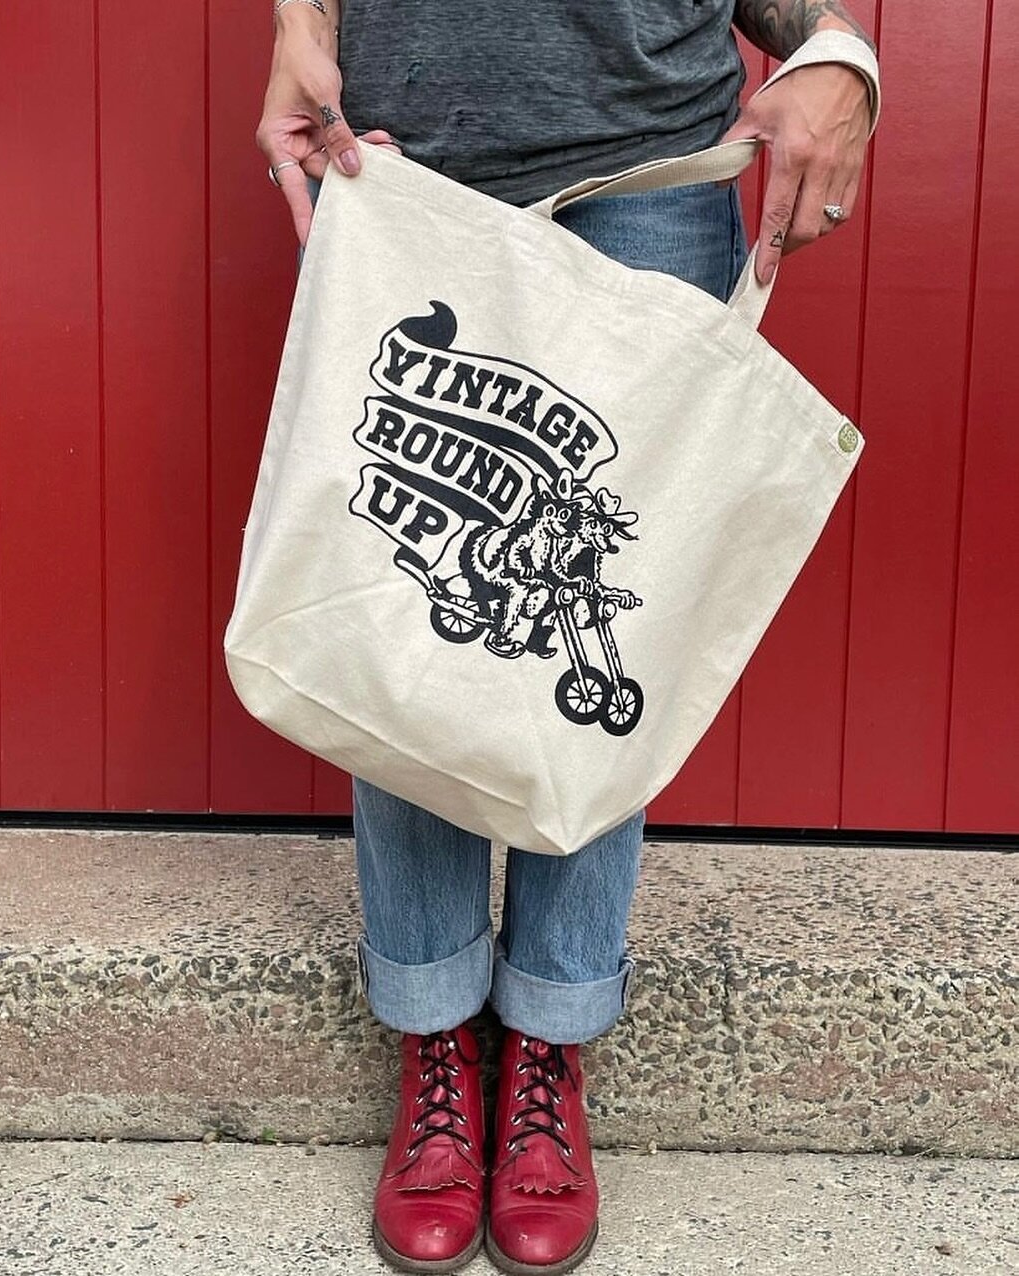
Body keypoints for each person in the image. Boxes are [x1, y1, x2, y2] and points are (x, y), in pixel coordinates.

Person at [256, 3, 878, 1273]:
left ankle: (546, 1035)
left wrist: (839, 57)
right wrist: (294, 17)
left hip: (646, 165)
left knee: (600, 612)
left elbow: (803, 18)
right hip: (408, 154)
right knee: (413, 593)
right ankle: (436, 1032)